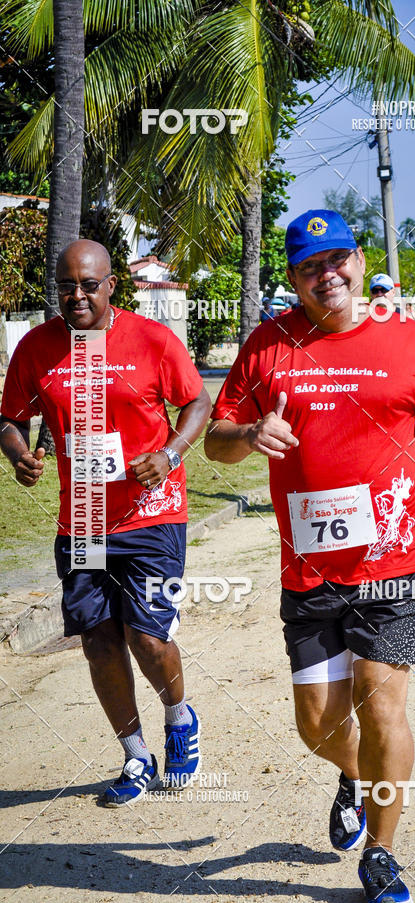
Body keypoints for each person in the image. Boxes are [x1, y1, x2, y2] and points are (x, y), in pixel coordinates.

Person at [204, 209, 415, 903]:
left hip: (395, 560)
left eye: (336, 259)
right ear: (294, 278)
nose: (325, 274)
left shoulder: (411, 342)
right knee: (317, 724)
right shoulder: (268, 344)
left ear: (358, 261)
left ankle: (382, 853)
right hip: (308, 568)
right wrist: (249, 430)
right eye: (309, 266)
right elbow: (216, 439)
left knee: (380, 700)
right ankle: (355, 777)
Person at [0, 239, 211, 806]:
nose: (76, 296)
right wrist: (18, 452)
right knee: (97, 641)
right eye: (66, 286)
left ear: (111, 285)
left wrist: (169, 454)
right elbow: (8, 419)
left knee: (147, 634)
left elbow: (197, 404)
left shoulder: (151, 340)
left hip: (152, 516)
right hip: (85, 524)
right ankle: (136, 754)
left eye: (88, 285)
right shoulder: (36, 348)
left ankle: (178, 714)